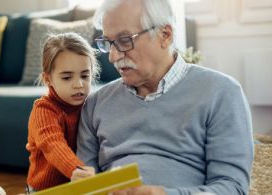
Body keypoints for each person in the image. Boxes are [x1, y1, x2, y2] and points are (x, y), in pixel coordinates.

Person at [76, 0, 254, 195]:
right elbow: (86, 184)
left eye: (125, 40)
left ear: (165, 35)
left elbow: (233, 187)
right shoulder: (95, 104)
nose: (112, 56)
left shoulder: (222, 92)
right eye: (108, 43)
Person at [26, 32, 99, 192]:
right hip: (44, 190)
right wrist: (75, 169)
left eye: (85, 76)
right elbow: (53, 144)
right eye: (67, 77)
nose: (78, 84)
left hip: (76, 187)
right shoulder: (43, 110)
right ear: (48, 79)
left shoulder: (91, 104)